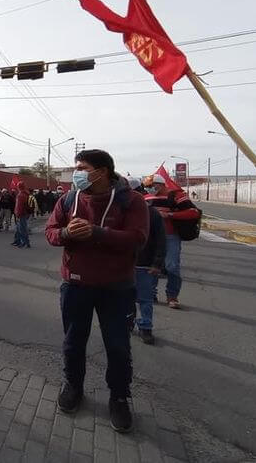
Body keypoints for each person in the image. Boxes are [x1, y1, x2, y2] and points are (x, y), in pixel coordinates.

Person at [45, 149, 148, 433]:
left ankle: (119, 396)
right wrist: (67, 233)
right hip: (75, 285)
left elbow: (137, 239)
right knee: (73, 341)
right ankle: (73, 385)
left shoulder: (132, 201)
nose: (76, 172)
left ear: (101, 171)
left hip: (117, 288)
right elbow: (51, 231)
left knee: (117, 346)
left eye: (81, 167)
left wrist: (96, 232)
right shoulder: (69, 198)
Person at [144, 174, 200, 309]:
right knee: (151, 267)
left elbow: (193, 212)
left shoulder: (177, 196)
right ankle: (151, 293)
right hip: (151, 237)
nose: (149, 189)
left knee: (172, 266)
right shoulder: (145, 198)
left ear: (161, 184)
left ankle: (172, 296)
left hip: (170, 236)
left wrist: (170, 215)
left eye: (152, 186)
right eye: (147, 187)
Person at [128, 177, 166, 345]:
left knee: (145, 299)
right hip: (123, 264)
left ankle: (146, 327)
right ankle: (128, 323)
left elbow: (160, 240)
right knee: (125, 298)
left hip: (144, 264)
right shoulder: (119, 209)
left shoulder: (151, 212)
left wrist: (157, 263)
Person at [13, 183, 33, 248]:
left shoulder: (20, 195)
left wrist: (18, 214)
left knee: (22, 229)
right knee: (19, 228)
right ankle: (18, 240)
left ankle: (25, 242)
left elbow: (19, 206)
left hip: (21, 214)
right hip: (25, 213)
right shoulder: (27, 194)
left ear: (19, 187)